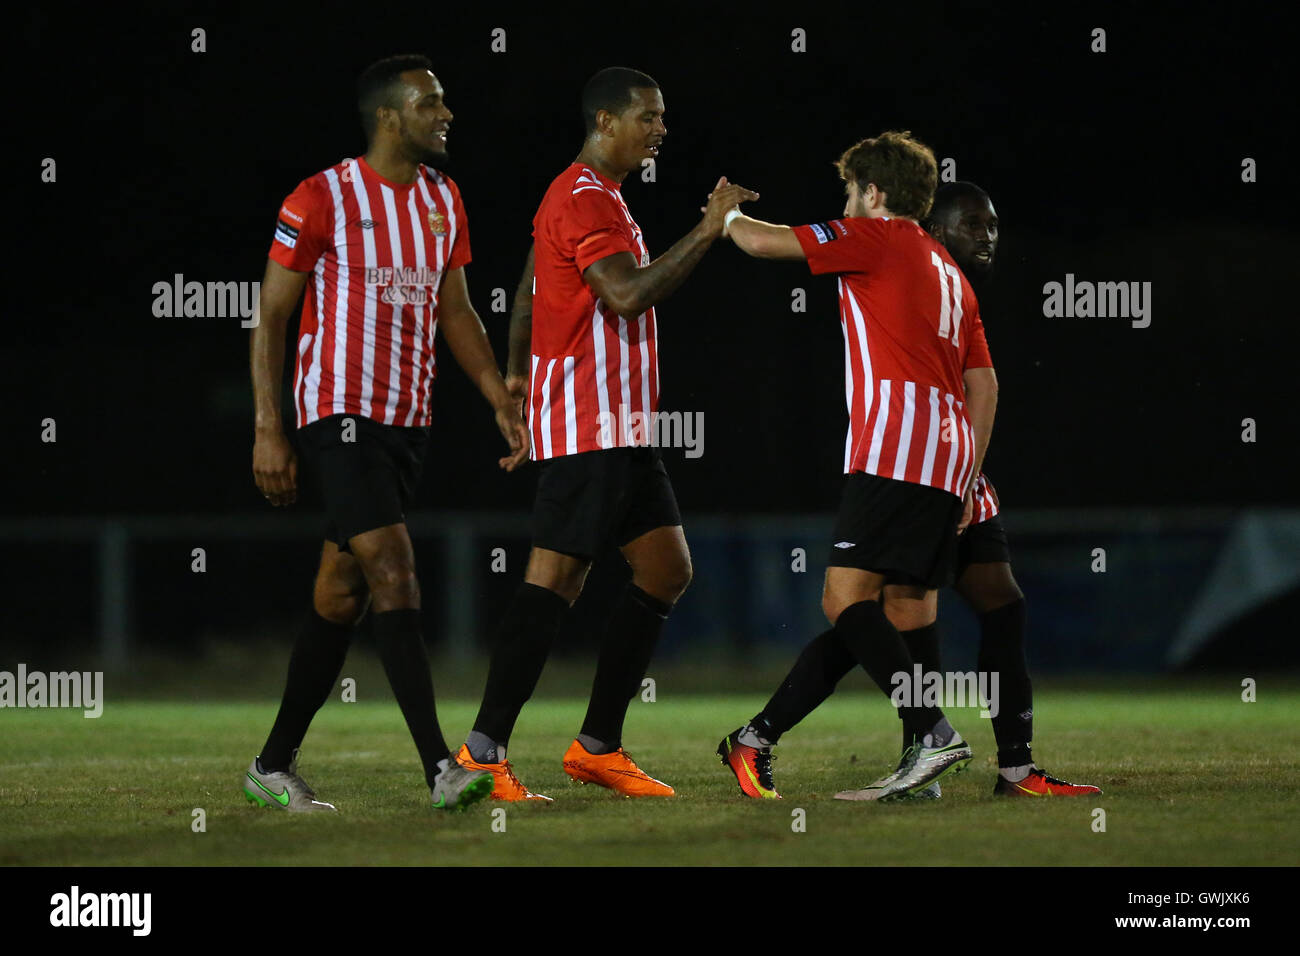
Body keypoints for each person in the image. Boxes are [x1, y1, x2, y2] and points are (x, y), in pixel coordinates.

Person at [455, 67, 758, 800]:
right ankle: (481, 752)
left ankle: (597, 746)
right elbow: (624, 296)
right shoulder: (585, 195)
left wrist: (518, 380)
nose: (660, 129)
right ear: (604, 122)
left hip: (617, 427)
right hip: (592, 425)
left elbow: (529, 283)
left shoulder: (591, 196)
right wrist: (709, 228)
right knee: (555, 577)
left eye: (662, 117)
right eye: (648, 117)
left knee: (665, 570)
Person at [244, 54, 528, 813]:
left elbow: (455, 310)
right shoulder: (321, 197)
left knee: (341, 591)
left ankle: (273, 764)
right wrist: (269, 428)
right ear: (388, 117)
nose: (447, 114)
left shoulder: (443, 198)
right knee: (395, 569)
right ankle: (441, 768)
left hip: (408, 423)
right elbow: (271, 315)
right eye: (431, 102)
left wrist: (497, 391)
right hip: (337, 413)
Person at [714, 131, 997, 802]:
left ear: (873, 194)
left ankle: (930, 735)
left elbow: (760, 241)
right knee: (902, 611)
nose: (846, 202)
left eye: (850, 191)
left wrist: (722, 213)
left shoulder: (879, 236)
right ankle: (893, 760)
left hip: (894, 448)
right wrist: (966, 476)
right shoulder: (951, 273)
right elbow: (983, 384)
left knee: (843, 601)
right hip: (946, 455)